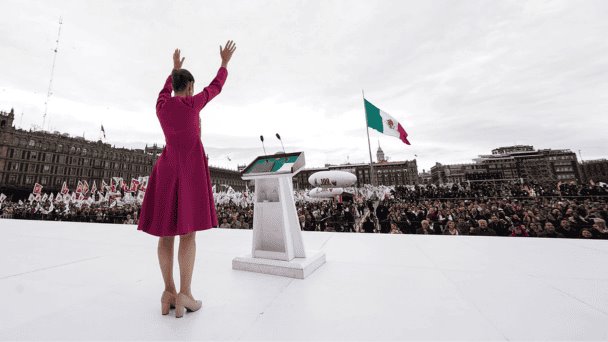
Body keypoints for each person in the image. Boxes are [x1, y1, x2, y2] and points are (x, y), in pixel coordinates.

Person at [137, 41, 236, 318]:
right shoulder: (194, 103)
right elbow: (216, 87)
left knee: (165, 232)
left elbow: (163, 90)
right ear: (190, 87)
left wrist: (174, 69)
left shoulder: (161, 106)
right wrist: (224, 63)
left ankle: (167, 291)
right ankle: (185, 294)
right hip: (190, 170)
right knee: (187, 233)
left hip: (166, 168)